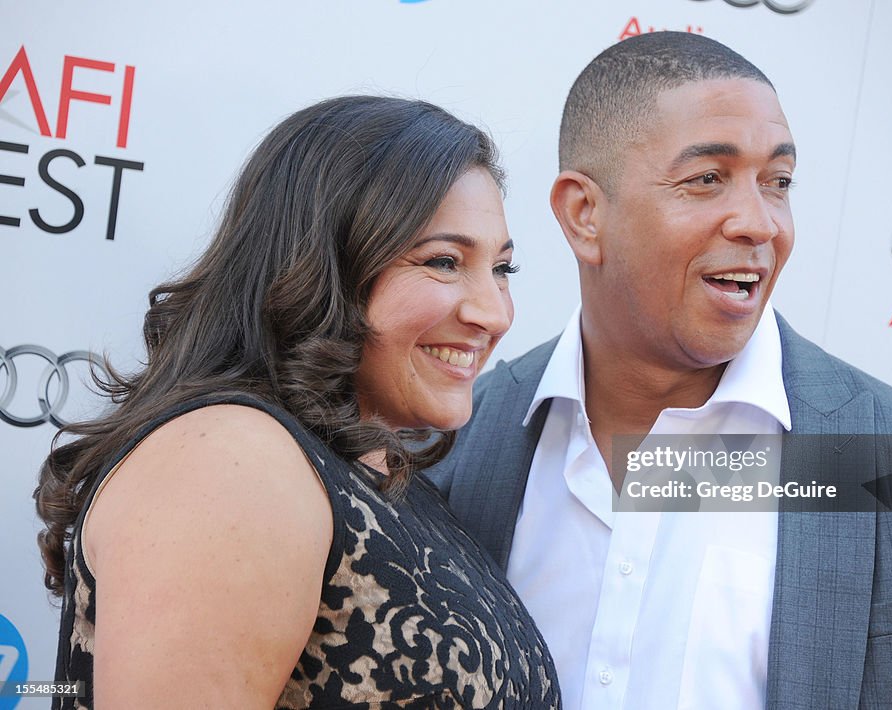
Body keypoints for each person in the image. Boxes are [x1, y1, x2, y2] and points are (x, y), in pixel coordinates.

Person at [427, 32, 892, 709]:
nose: (759, 223)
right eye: (707, 179)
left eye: (779, 182)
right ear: (584, 214)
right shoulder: (451, 442)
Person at [34, 95, 561, 709]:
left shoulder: (383, 479)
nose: (493, 313)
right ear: (324, 263)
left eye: (503, 269)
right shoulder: (231, 462)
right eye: (444, 262)